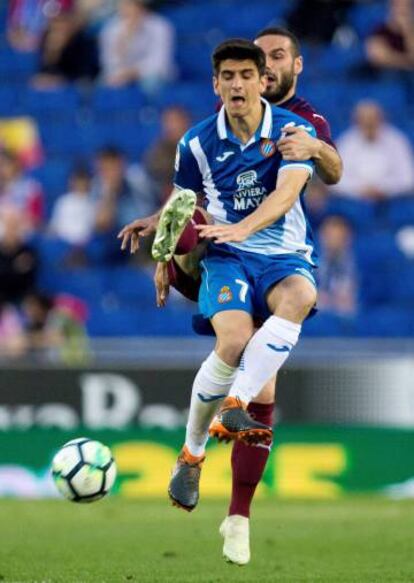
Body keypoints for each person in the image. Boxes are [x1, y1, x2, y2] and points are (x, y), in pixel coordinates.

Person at [119, 28, 343, 565]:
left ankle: (233, 417)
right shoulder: (195, 141)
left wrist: (250, 227)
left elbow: (293, 190)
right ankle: (193, 456)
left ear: (264, 81)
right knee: (236, 338)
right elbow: (182, 202)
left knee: (301, 295)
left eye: (248, 74)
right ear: (215, 84)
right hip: (225, 253)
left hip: (282, 250)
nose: (239, 84)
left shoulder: (292, 128)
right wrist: (165, 250)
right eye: (229, 76)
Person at [332, 99, 414, 200]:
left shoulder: (397, 141)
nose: (369, 123)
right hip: (355, 201)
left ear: (381, 119)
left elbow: (408, 178)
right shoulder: (346, 142)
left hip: (391, 200)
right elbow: (336, 179)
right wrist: (360, 190)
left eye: (372, 119)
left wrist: (383, 189)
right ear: (356, 121)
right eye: (364, 119)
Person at [99, 0, 175, 93]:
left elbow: (159, 62)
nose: (127, 9)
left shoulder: (160, 26)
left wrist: (133, 73)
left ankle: (152, 106)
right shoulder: (111, 28)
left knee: (151, 83)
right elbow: (109, 63)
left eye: (131, 5)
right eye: (124, 5)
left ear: (141, 7)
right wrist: (124, 40)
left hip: (152, 74)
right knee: (103, 85)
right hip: (122, 73)